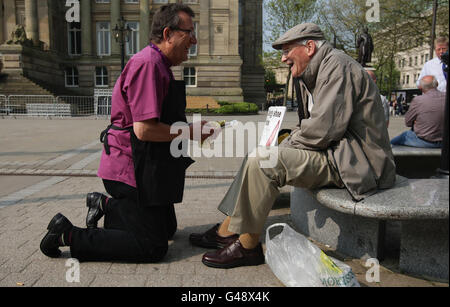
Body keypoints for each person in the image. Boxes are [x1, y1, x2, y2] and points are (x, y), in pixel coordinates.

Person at [189, 23, 396, 269]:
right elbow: (317, 128)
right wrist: (286, 142)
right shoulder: (319, 69)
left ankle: (247, 246)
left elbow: (323, 130)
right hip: (339, 153)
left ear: (309, 47)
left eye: (287, 51)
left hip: (357, 163)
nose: (283, 58)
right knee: (256, 156)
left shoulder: (338, 67)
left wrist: (286, 144)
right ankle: (227, 231)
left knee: (264, 162)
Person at [40, 4, 212, 263]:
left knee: (167, 229)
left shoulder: (160, 63)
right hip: (131, 171)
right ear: (168, 34)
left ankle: (105, 205)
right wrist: (189, 132)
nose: (194, 39)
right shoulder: (149, 65)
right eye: (189, 32)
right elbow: (144, 130)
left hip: (146, 166)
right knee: (153, 245)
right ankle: (68, 234)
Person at [391, 75, 445, 148]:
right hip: (444, 141)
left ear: (420, 87)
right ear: (437, 84)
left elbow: (408, 122)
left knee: (396, 140)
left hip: (425, 140)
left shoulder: (418, 100)